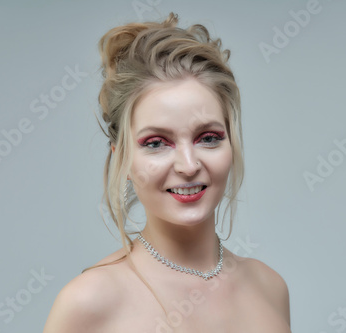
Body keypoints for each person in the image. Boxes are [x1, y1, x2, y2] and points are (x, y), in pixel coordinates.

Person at [43, 13, 290, 333]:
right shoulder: (88, 303)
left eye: (208, 138)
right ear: (123, 161)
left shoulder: (270, 288)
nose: (188, 165)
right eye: (157, 143)